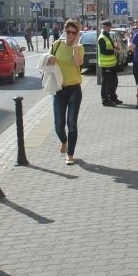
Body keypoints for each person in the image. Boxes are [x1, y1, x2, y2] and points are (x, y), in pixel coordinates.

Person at [46, 18, 85, 165]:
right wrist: (49, 61)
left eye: (73, 33)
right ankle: (64, 140)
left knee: (72, 123)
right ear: (64, 31)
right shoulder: (56, 45)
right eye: (68, 32)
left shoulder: (79, 47)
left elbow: (77, 63)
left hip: (74, 89)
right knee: (58, 124)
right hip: (58, 89)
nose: (70, 35)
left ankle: (70, 154)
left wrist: (75, 46)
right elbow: (47, 59)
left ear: (77, 34)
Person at [98, 18, 122, 106]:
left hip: (111, 63)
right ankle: (105, 100)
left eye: (109, 26)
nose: (109, 27)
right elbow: (103, 51)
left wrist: (115, 48)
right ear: (103, 27)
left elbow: (110, 47)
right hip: (106, 64)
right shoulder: (102, 37)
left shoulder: (107, 35)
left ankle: (112, 97)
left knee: (114, 82)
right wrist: (113, 51)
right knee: (106, 83)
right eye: (107, 26)